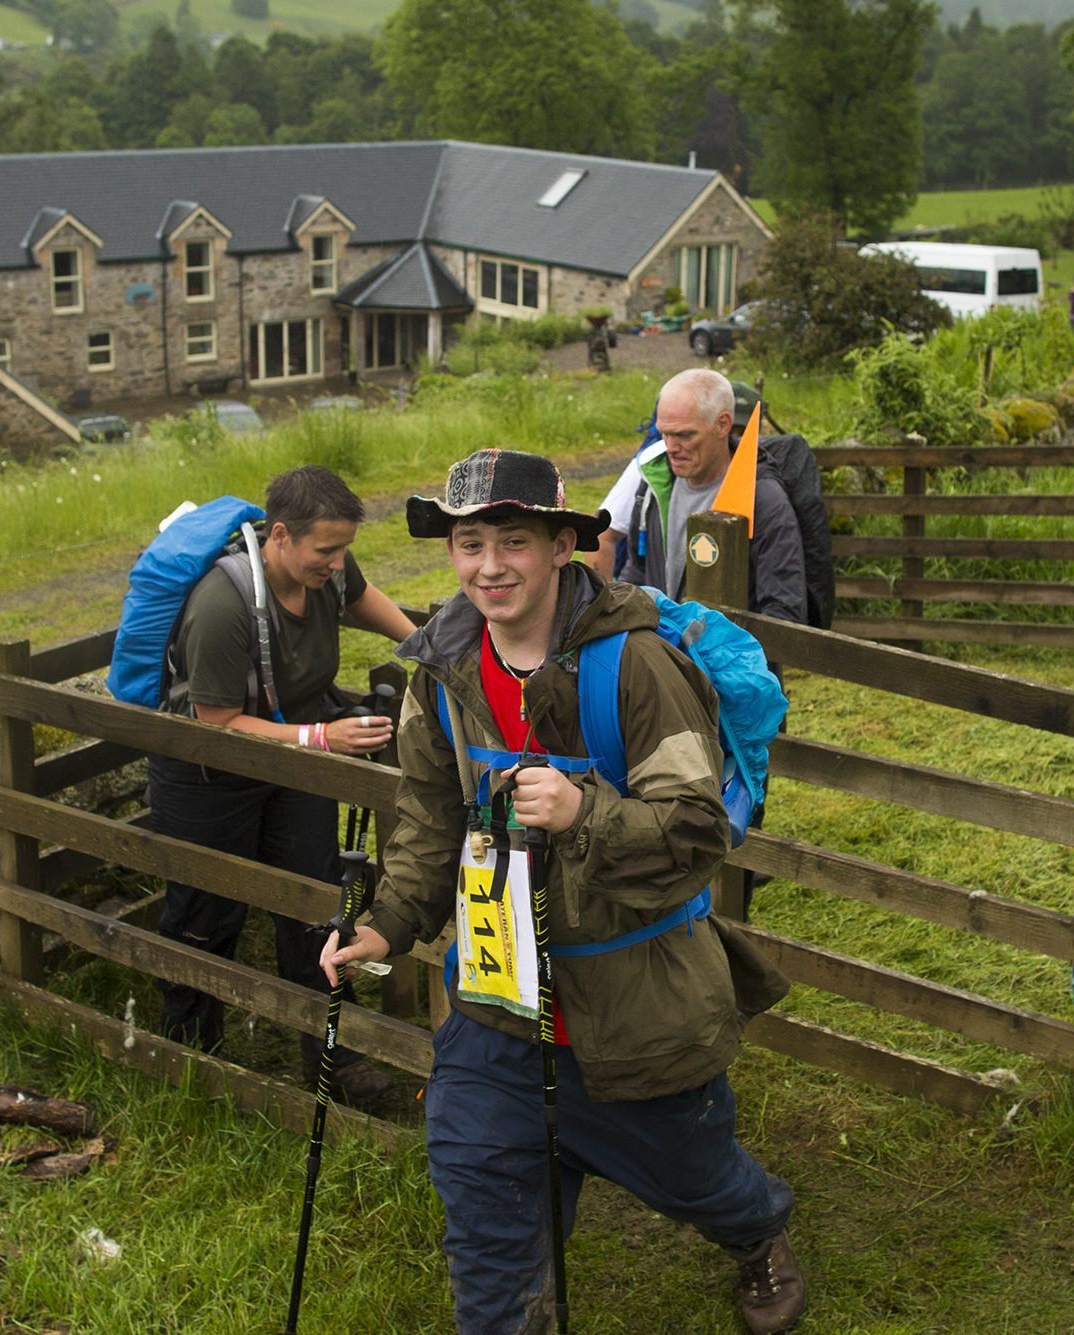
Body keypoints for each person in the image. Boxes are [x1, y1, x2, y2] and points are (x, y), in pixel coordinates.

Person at [323, 449, 804, 1335]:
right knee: (480, 1187)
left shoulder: (637, 668)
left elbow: (696, 832)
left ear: (559, 548)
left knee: (696, 1173)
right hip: (497, 993)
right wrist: (386, 925)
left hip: (634, 997)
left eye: (514, 540)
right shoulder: (442, 674)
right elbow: (428, 820)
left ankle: (758, 1230)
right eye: (470, 543)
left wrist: (585, 812)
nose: (490, 566)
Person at [152, 465, 415, 1099]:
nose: (338, 561)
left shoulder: (325, 572)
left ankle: (334, 1059)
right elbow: (215, 722)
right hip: (208, 775)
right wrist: (322, 739)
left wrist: (426, 643)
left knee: (316, 905)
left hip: (292, 765)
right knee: (206, 910)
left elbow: (361, 596)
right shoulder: (223, 605)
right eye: (326, 549)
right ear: (280, 535)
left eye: (345, 546)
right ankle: (194, 1060)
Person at [593, 368, 806, 624]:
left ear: (723, 424)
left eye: (684, 435)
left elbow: (783, 613)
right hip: (658, 659)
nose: (671, 447)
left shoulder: (762, 500)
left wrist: (721, 656)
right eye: (664, 433)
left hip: (728, 663)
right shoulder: (654, 484)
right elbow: (639, 572)